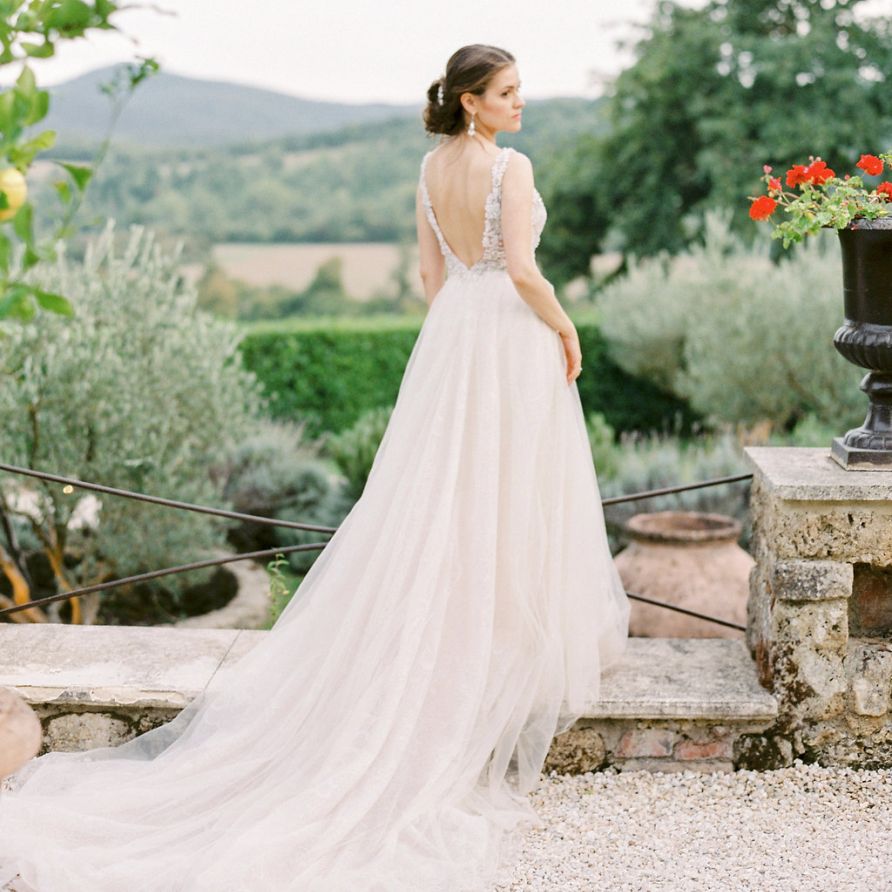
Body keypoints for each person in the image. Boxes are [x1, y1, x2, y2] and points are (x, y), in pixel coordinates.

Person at [0, 43, 629, 892]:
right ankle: (499, 637)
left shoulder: (426, 169)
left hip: (450, 344)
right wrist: (565, 329)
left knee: (442, 496)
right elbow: (521, 271)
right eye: (509, 92)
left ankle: (459, 632)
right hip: (508, 339)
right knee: (503, 493)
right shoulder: (509, 169)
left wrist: (455, 351)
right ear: (473, 102)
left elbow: (430, 277)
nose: (522, 104)